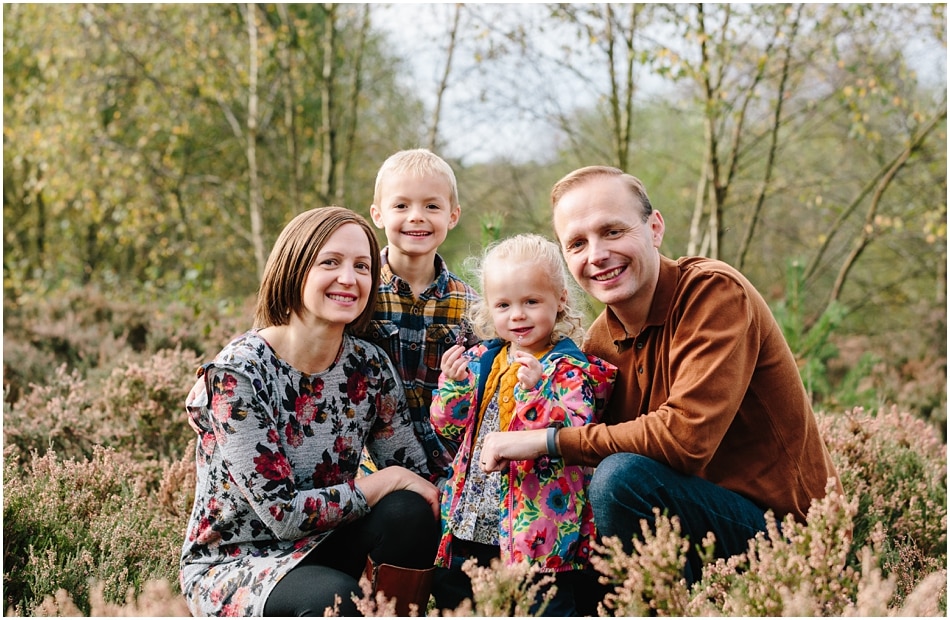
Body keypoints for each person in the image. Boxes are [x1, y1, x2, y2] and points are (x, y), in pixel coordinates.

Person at [479, 166, 843, 586]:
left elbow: (686, 440)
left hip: (791, 536)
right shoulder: (599, 344)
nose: (596, 254)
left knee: (619, 480)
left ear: (654, 228)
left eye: (613, 231)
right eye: (577, 243)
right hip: (690, 527)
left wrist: (547, 441)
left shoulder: (715, 294)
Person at [179, 206, 441, 617]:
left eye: (362, 266)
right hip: (236, 562)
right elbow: (283, 515)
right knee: (333, 598)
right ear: (295, 268)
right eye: (330, 263)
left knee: (410, 511)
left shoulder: (368, 366)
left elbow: (416, 475)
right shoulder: (240, 374)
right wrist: (384, 480)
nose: (348, 279)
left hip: (325, 540)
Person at [430, 233, 617, 615]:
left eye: (531, 302)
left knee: (540, 601)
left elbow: (572, 428)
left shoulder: (567, 367)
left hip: (537, 521)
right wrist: (452, 388)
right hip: (474, 513)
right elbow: (449, 429)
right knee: (460, 595)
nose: (517, 315)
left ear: (560, 299)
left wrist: (536, 393)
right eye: (504, 304)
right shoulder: (483, 358)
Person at [361, 148, 480, 481]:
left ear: (452, 216)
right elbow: (296, 324)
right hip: (372, 463)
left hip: (449, 462)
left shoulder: (471, 306)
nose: (416, 216)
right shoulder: (360, 290)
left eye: (432, 206)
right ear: (378, 214)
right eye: (401, 205)